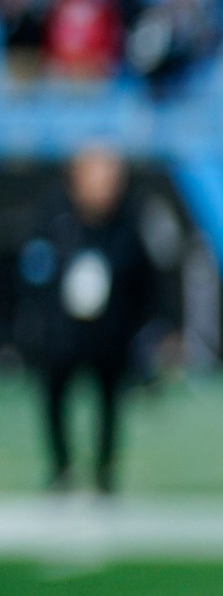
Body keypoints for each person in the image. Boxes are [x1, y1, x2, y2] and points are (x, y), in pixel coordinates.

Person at [17, 146, 158, 493]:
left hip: (109, 332)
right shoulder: (54, 218)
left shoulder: (127, 223)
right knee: (54, 394)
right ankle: (62, 467)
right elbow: (34, 272)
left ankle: (104, 473)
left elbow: (145, 282)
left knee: (109, 399)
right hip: (63, 332)